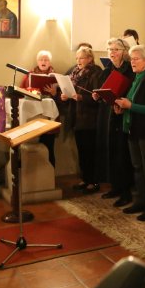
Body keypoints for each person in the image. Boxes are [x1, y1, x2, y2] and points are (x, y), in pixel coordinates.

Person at [115, 45, 145, 221]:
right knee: (137, 168)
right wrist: (122, 108)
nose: (132, 62)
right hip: (133, 128)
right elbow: (130, 102)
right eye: (131, 59)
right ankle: (140, 201)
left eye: (136, 59)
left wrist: (130, 106)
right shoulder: (136, 79)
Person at [93, 38, 135, 207]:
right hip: (106, 115)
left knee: (121, 154)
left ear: (124, 51)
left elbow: (132, 92)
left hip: (121, 114)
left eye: (116, 49)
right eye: (109, 49)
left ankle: (126, 191)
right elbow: (102, 89)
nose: (112, 52)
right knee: (109, 151)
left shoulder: (129, 71)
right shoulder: (107, 70)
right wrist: (96, 95)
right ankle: (115, 186)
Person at [59, 46, 103, 193]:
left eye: (81, 58)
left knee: (91, 152)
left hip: (90, 119)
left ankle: (94, 181)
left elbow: (98, 97)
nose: (78, 61)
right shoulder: (75, 73)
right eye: (77, 58)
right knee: (82, 152)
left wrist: (81, 97)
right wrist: (66, 96)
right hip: (77, 118)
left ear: (90, 58)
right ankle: (85, 179)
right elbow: (72, 92)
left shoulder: (96, 73)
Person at [20, 50, 59, 168]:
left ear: (50, 62)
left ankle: (50, 177)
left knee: (48, 148)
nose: (43, 62)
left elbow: (64, 99)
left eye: (46, 60)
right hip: (32, 118)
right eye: (41, 59)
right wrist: (30, 92)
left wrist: (54, 93)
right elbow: (21, 92)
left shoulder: (56, 76)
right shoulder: (29, 75)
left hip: (48, 119)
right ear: (37, 61)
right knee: (29, 149)